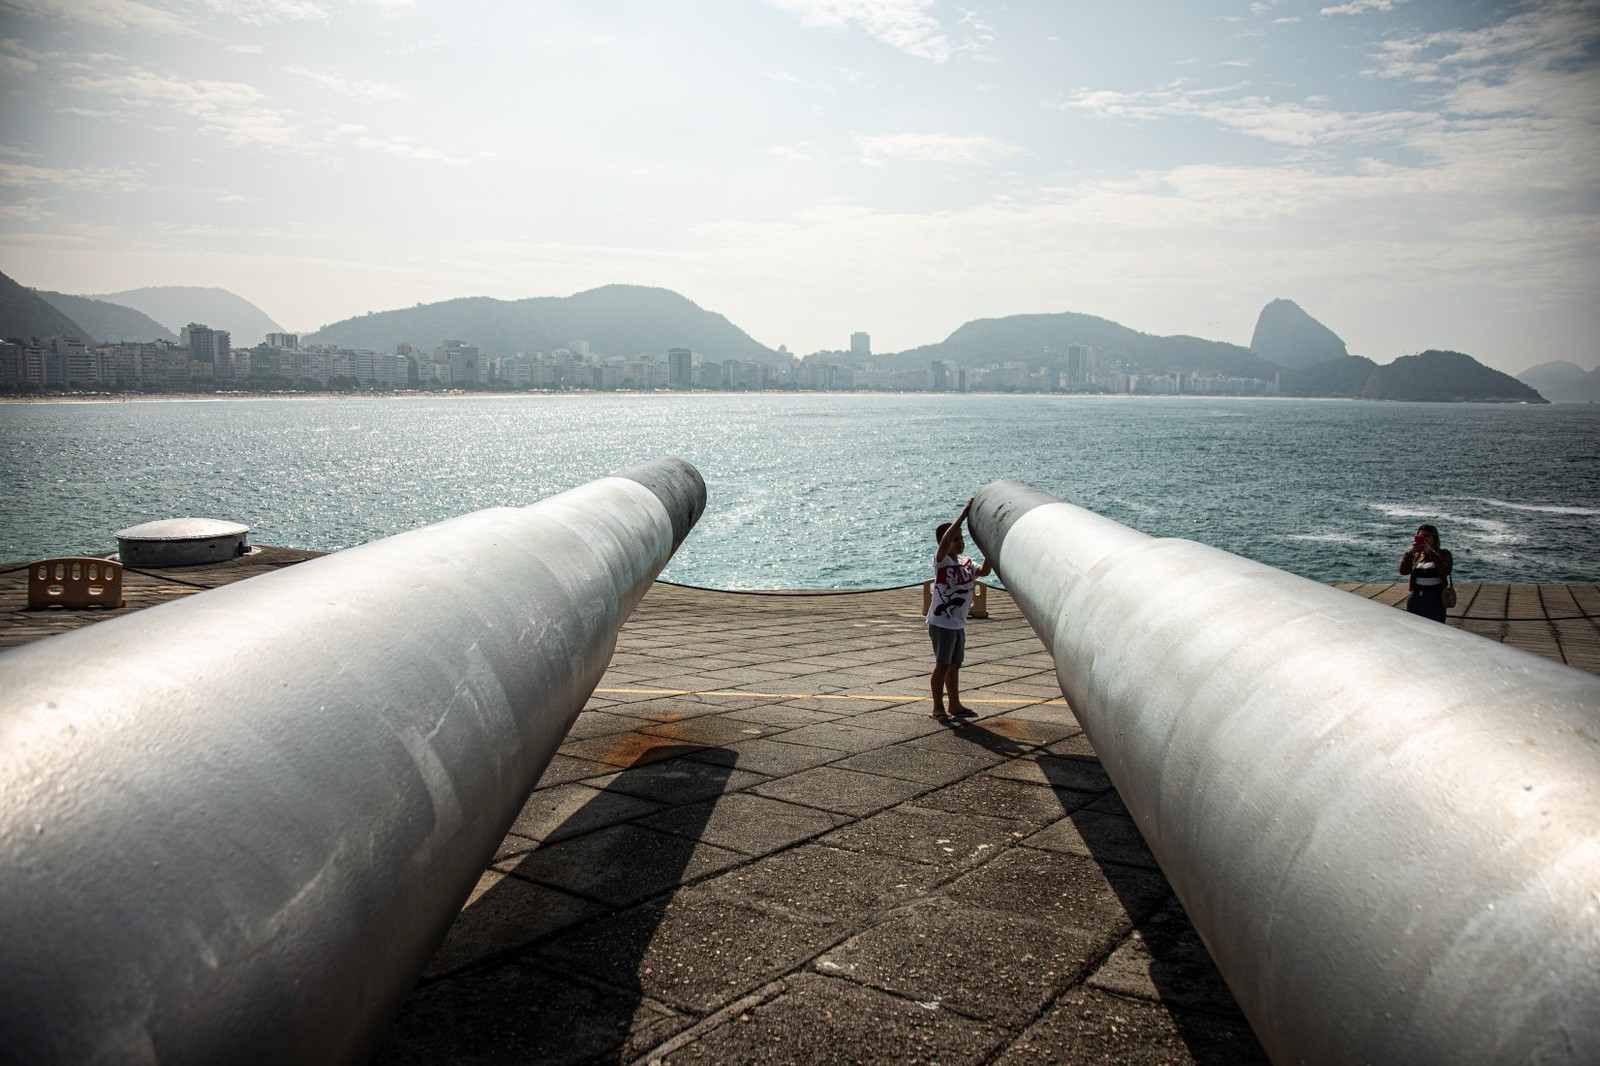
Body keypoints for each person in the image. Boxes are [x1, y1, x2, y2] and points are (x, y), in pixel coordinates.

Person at [927, 497, 993, 718]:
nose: (959, 542)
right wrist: (963, 516)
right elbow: (945, 543)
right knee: (942, 664)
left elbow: (984, 572)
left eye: (961, 539)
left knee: (955, 664)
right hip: (941, 622)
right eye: (955, 539)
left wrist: (990, 546)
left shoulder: (966, 563)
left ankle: (954, 704)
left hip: (958, 623)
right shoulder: (942, 561)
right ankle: (938, 706)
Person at [1399, 522, 1453, 623]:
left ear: (1434, 538)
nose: (1423, 538)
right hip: (1416, 598)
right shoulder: (1417, 555)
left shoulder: (1444, 553)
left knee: (1436, 630)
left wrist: (1431, 552)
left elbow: (1446, 569)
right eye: (1420, 536)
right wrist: (1408, 554)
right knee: (1415, 630)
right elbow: (1403, 571)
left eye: (1426, 536)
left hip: (1435, 600)